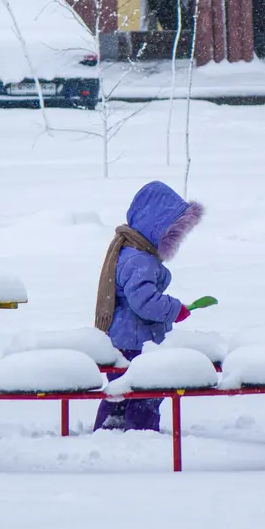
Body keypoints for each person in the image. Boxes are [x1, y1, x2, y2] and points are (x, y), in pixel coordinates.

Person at [93, 180, 204, 432]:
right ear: (156, 227)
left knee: (121, 392)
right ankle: (141, 434)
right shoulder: (138, 260)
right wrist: (175, 309)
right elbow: (144, 302)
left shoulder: (131, 253)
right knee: (147, 390)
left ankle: (111, 429)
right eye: (172, 232)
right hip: (135, 342)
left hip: (125, 339)